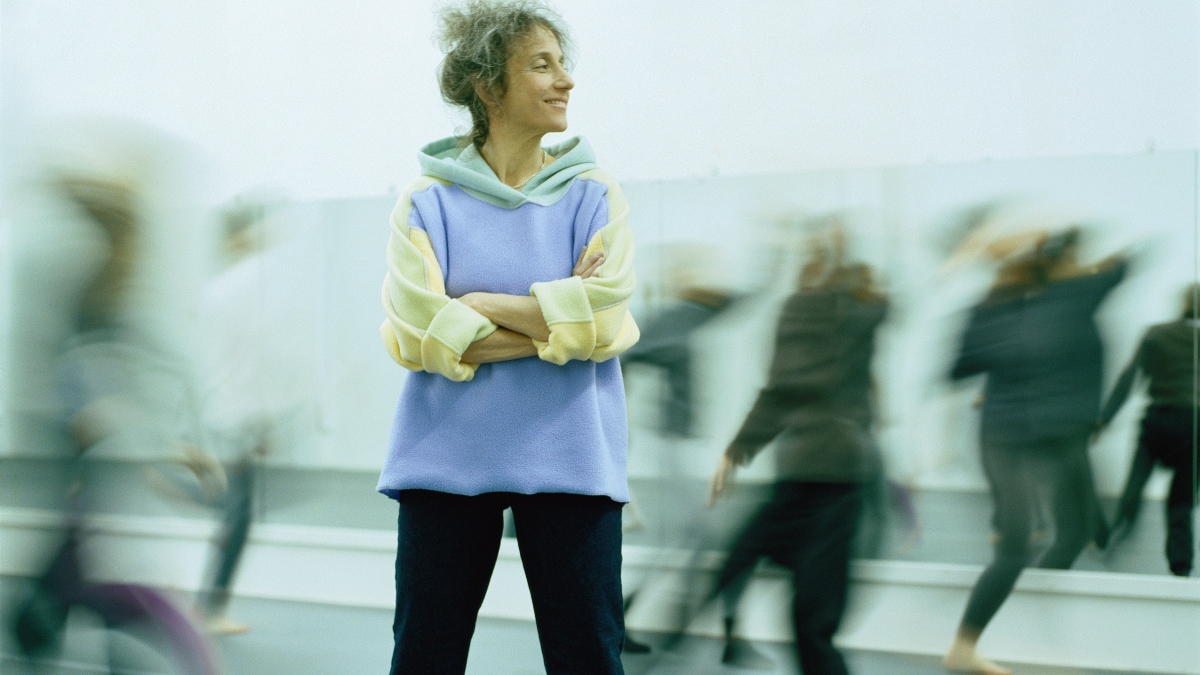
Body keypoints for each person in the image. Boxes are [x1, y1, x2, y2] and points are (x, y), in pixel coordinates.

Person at [376, 2, 639, 673]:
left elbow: (607, 322)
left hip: (573, 461)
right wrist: (556, 318)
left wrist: (481, 306)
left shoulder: (593, 195)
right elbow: (418, 336)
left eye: (563, 63)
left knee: (588, 659)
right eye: (541, 65)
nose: (565, 81)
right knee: (423, 659)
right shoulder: (424, 201)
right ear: (488, 86)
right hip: (444, 460)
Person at [943, 229, 1125, 675]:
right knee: (1023, 543)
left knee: (1064, 531)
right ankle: (963, 649)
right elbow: (958, 369)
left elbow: (957, 370)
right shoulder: (1064, 299)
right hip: (1024, 437)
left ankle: (968, 645)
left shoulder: (1011, 307)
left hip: (1030, 436)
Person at [708, 253, 887, 675]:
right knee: (741, 574)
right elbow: (778, 393)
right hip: (806, 478)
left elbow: (780, 391)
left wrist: (735, 453)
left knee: (810, 621)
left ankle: (732, 637)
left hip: (837, 482)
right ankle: (728, 636)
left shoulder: (853, 318)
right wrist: (735, 452)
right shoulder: (819, 313)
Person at [1098, 284, 1199, 576]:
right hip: (1194, 424)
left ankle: (1113, 534)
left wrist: (1105, 420)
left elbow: (1129, 378)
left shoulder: (1156, 334)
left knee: (1135, 485)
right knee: (1181, 503)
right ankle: (1181, 566)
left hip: (1158, 419)